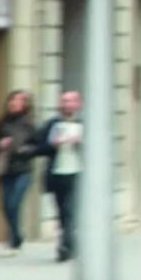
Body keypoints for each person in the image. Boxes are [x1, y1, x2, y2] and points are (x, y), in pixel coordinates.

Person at [0, 87, 41, 251]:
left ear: (25, 104)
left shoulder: (30, 124)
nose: (14, 103)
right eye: (12, 100)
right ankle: (16, 235)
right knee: (5, 205)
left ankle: (14, 237)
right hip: (6, 169)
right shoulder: (3, 123)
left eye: (18, 101)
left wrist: (26, 150)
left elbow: (38, 146)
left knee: (14, 203)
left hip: (23, 170)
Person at [42, 87, 87, 262]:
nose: (67, 104)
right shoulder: (53, 124)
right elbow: (40, 146)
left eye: (71, 101)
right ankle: (70, 243)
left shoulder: (83, 124)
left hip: (76, 172)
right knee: (62, 212)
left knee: (69, 210)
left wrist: (80, 143)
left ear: (78, 104)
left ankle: (65, 246)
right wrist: (53, 144)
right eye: (64, 101)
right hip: (57, 173)